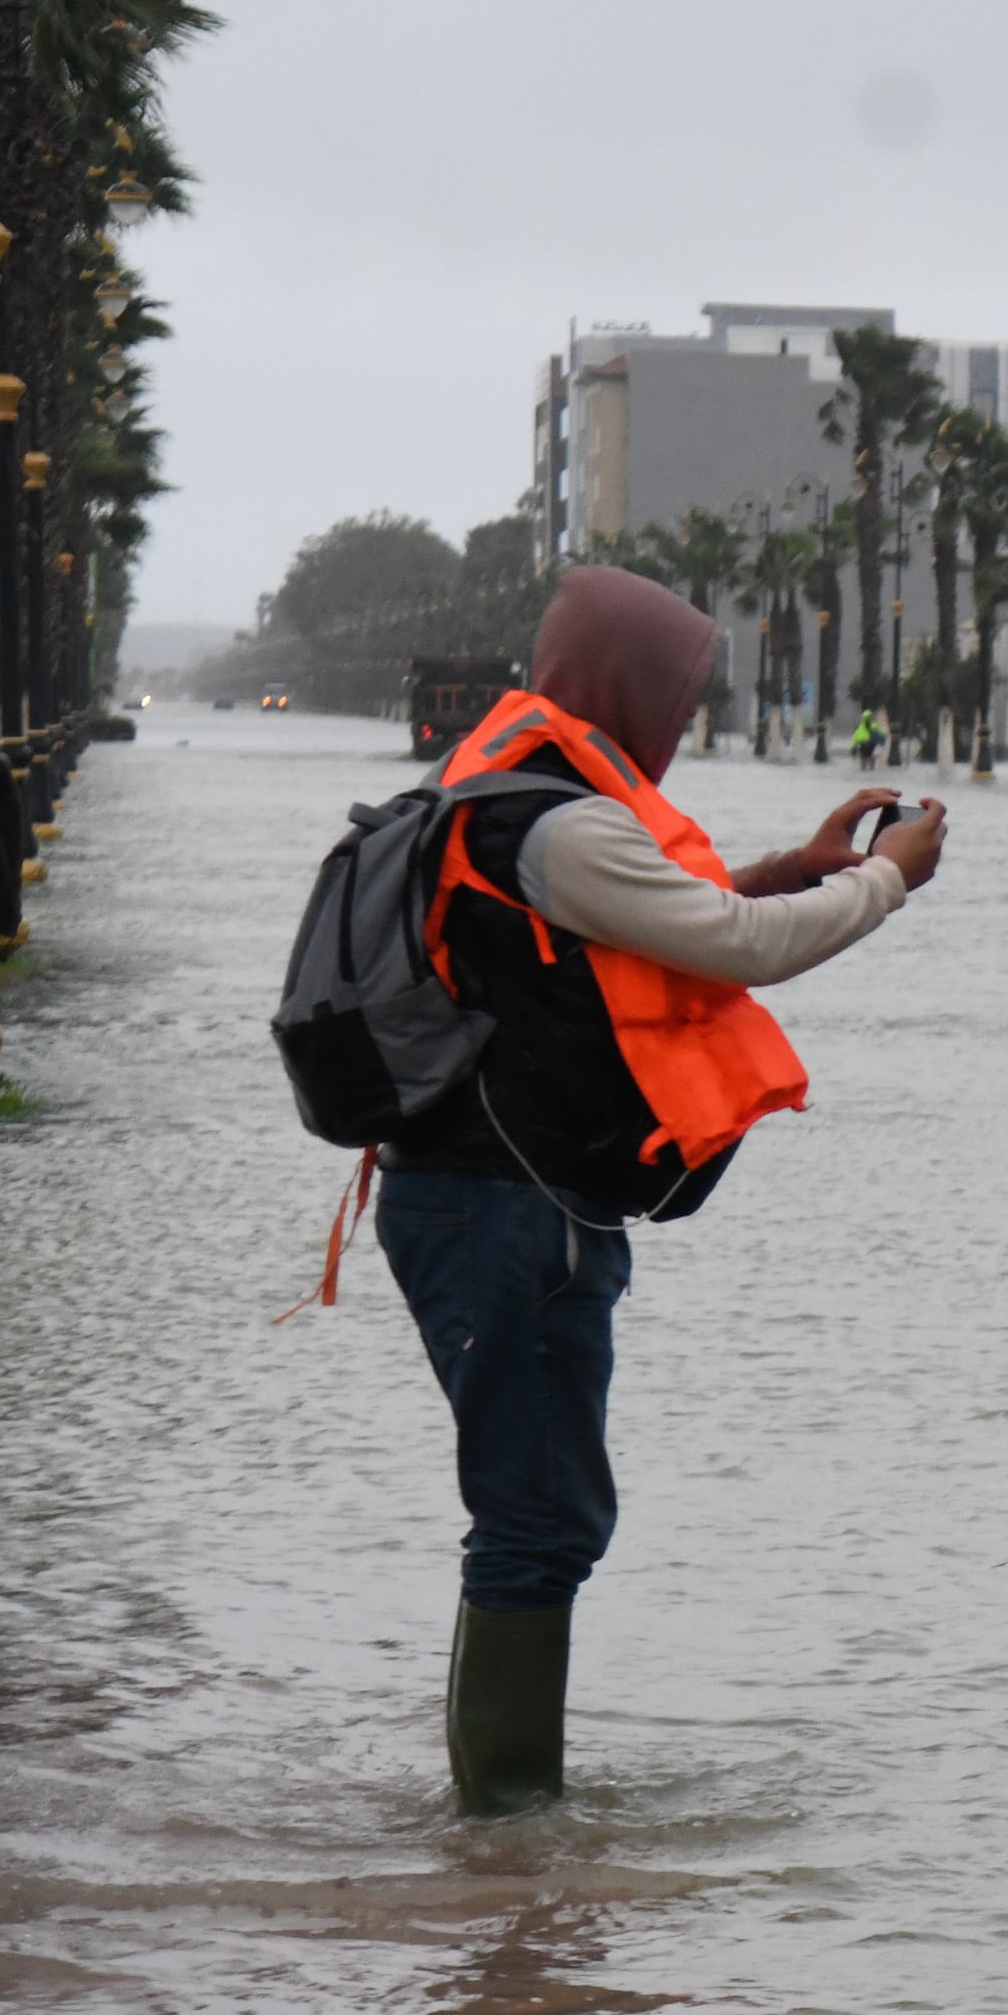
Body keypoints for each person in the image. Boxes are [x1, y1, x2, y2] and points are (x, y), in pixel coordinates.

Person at [385, 566, 946, 1811]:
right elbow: (738, 952)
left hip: (487, 1197)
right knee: (535, 1518)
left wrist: (789, 866)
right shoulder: (562, 820)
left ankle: (502, 1853)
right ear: (626, 682)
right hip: (503, 1208)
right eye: (679, 693)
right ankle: (509, 1847)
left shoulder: (506, 792)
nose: (683, 722)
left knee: (542, 1510)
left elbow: (649, 928)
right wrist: (887, 879)